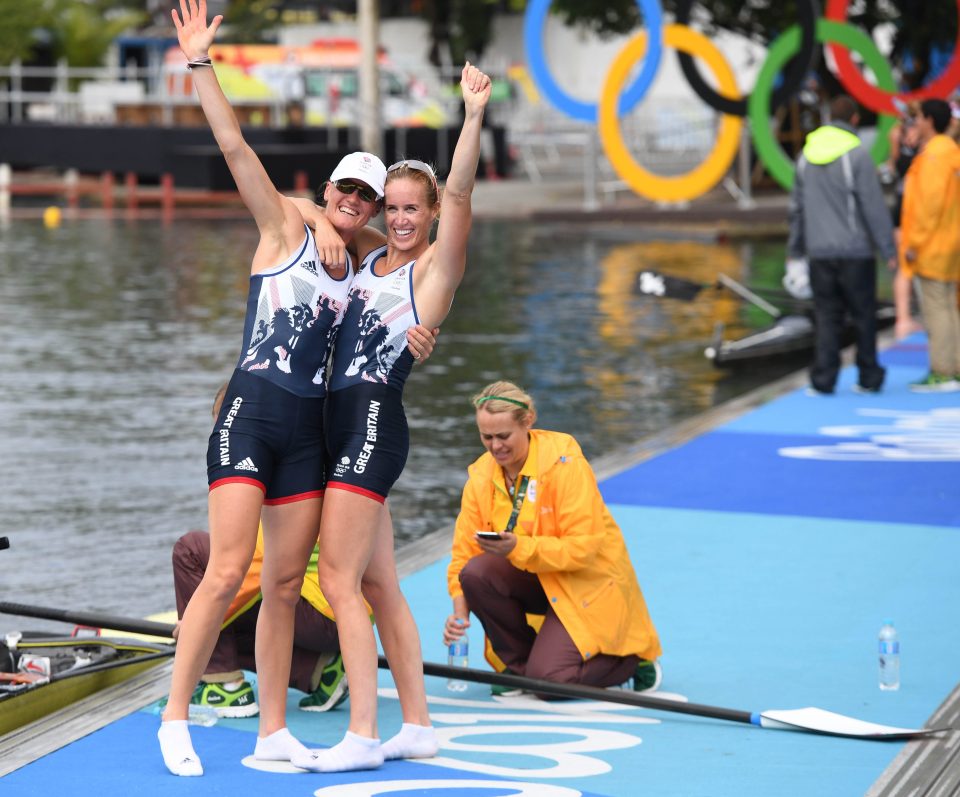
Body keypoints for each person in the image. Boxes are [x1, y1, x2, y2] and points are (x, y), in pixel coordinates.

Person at [160, 2, 434, 777]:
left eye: (363, 198)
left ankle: (272, 728)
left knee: (283, 580)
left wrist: (422, 332)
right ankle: (175, 714)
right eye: (340, 191)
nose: (349, 203)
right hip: (250, 413)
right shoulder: (283, 228)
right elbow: (233, 145)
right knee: (225, 568)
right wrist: (201, 63)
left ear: (375, 209)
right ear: (328, 187)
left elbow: (410, 257)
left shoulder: (364, 262)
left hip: (310, 438)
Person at [292, 63, 493, 774]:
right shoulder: (371, 257)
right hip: (338, 428)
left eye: (415, 208)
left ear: (432, 214)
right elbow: (309, 210)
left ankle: (362, 734)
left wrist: (471, 119)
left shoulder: (433, 269)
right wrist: (319, 213)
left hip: (374, 428)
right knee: (379, 585)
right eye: (395, 209)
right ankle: (418, 724)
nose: (403, 219)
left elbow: (462, 189)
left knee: (340, 581)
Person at [444, 381, 662, 696]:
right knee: (476, 573)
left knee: (549, 682)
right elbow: (463, 555)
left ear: (528, 421)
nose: (495, 447)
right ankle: (518, 669)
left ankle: (631, 662)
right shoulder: (481, 476)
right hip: (538, 577)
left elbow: (582, 549)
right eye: (486, 437)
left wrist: (518, 547)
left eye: (504, 436)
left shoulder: (565, 464)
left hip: (584, 581)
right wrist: (459, 614)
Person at [786, 94, 897, 395]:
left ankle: (823, 379)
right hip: (855, 252)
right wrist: (889, 250)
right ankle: (868, 377)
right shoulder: (858, 156)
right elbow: (873, 207)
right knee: (863, 316)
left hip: (819, 253)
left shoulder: (804, 158)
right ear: (855, 120)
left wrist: (794, 253)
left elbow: (796, 210)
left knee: (826, 317)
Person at [900, 98, 960, 392]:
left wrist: (914, 243)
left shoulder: (935, 156)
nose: (916, 122)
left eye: (919, 117)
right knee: (949, 306)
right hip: (951, 243)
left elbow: (929, 205)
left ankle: (942, 371)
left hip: (933, 245)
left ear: (929, 121)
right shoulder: (951, 152)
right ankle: (954, 367)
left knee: (936, 309)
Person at [887, 101, 924, 339]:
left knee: (904, 266)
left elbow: (893, 165)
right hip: (918, 204)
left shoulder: (895, 133)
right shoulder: (926, 138)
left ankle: (903, 318)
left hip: (901, 205)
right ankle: (909, 316)